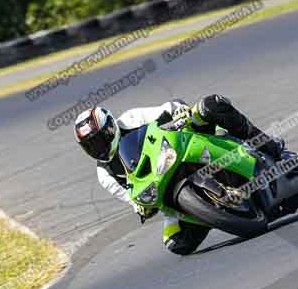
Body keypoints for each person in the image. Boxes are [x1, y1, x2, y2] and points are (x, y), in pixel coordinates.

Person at [73, 96, 284, 256]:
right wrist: (141, 207)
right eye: (90, 146)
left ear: (110, 129)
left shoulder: (130, 119)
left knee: (210, 105)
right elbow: (131, 197)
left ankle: (266, 144)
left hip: (180, 146)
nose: (97, 148)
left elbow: (168, 108)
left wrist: (179, 112)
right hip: (162, 189)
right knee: (175, 242)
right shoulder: (105, 174)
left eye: (99, 140)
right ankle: (211, 211)